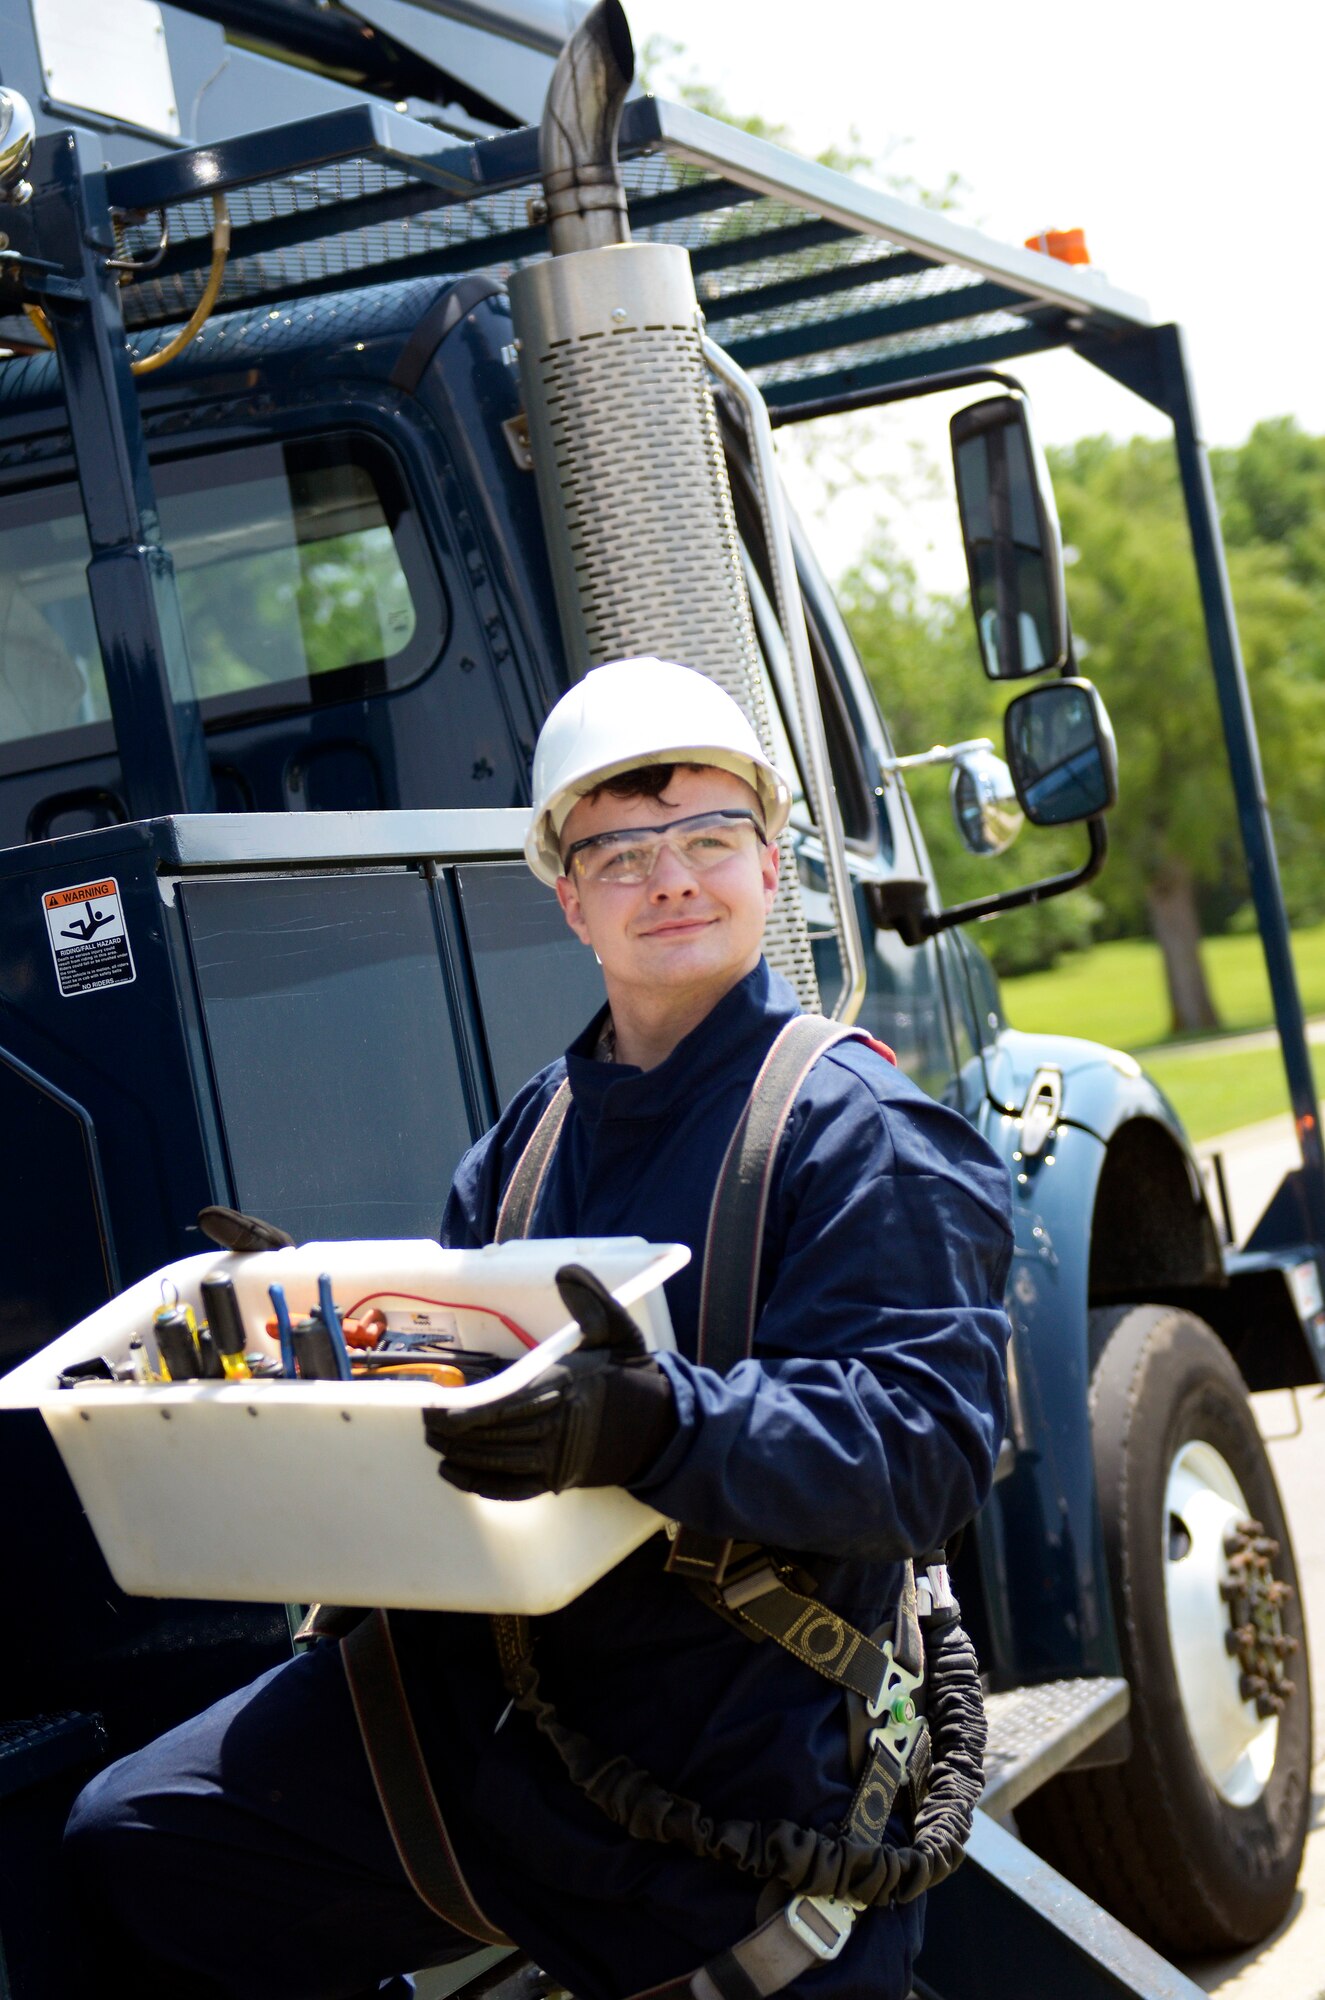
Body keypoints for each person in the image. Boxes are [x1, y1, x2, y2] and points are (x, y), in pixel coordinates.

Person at [65, 656, 1012, 2000]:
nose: (671, 878)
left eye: (706, 837)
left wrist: (652, 1423)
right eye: (621, 853)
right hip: (503, 1719)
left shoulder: (862, 1138)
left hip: (744, 1755)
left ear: (771, 857)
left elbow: (919, 1456)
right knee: (147, 1841)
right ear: (567, 897)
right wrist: (319, 1367)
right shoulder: (524, 1145)